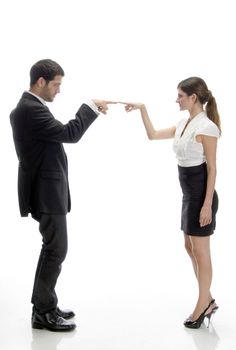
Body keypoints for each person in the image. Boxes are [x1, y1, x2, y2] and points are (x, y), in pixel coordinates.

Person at [10, 59, 115, 331]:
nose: (58, 90)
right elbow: (70, 133)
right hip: (45, 192)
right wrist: (90, 107)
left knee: (53, 248)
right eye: (56, 84)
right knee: (56, 249)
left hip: (47, 190)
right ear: (41, 82)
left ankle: (45, 305)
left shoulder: (32, 108)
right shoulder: (29, 109)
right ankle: (43, 313)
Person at [121, 76, 221, 329]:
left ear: (193, 98)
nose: (176, 99)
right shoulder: (183, 124)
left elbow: (212, 168)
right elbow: (153, 135)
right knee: (189, 248)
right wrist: (142, 109)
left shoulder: (207, 127)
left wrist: (207, 204)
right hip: (188, 196)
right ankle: (207, 299)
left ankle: (202, 306)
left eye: (180, 95)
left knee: (201, 252)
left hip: (201, 197)